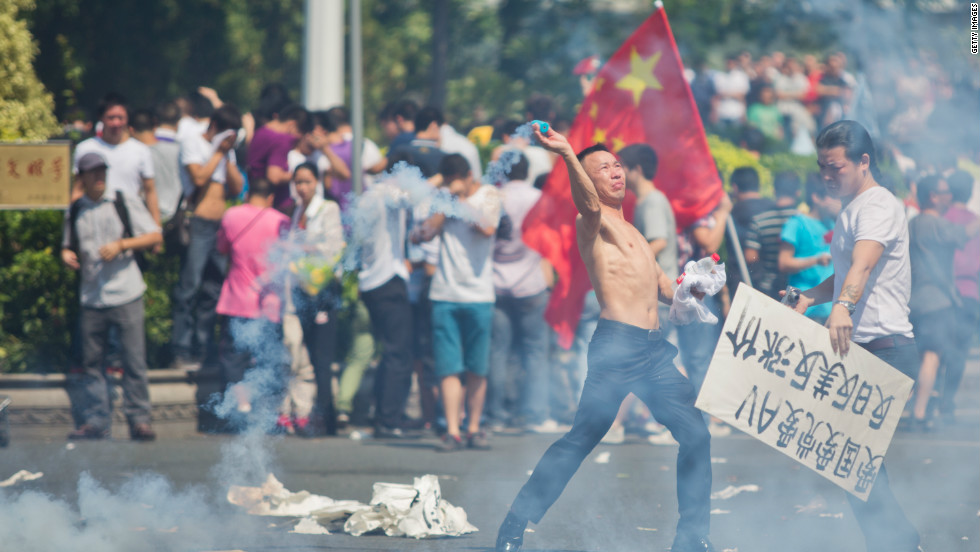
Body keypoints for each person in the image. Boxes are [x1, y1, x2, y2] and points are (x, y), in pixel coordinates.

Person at [495, 127, 715, 552]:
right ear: (588, 181)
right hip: (617, 349)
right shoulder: (590, 222)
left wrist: (694, 289)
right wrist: (566, 155)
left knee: (697, 435)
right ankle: (514, 523)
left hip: (653, 352)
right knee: (582, 438)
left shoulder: (634, 233)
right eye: (604, 169)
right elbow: (587, 203)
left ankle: (692, 537)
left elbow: (665, 287)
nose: (615, 172)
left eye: (616, 166)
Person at [788, 120, 921, 552]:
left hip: (884, 349)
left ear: (864, 162)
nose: (827, 176)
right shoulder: (851, 207)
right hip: (861, 348)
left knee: (853, 462)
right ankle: (896, 543)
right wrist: (811, 297)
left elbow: (863, 265)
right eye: (822, 167)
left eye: (835, 167)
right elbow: (845, 272)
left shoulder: (878, 205)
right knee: (853, 463)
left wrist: (841, 307)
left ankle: (899, 544)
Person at [61, 152, 162, 441]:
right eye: (93, 172)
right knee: (92, 362)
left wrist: (122, 244)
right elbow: (67, 244)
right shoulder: (75, 209)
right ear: (82, 177)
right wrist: (66, 254)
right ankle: (96, 420)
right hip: (92, 295)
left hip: (126, 290)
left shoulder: (122, 200)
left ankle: (140, 419)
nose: (99, 177)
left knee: (133, 359)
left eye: (102, 171)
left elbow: (154, 235)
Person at [414, 154, 501, 452]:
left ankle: (474, 427)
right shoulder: (443, 199)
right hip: (444, 294)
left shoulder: (488, 195)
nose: (452, 186)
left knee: (477, 367)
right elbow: (423, 234)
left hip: (479, 295)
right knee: (448, 367)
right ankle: (452, 430)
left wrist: (460, 202)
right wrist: (443, 206)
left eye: (456, 181)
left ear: (468, 176)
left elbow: (487, 228)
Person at [171, 105, 244, 372]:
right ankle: (180, 348)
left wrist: (228, 156)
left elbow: (236, 188)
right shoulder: (194, 143)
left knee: (213, 289)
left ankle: (204, 349)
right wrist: (219, 152)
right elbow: (199, 177)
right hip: (199, 223)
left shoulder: (228, 152)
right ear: (214, 127)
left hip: (221, 226)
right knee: (189, 287)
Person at [487, 153, 555, 433]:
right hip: (532, 283)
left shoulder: (493, 198)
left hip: (496, 283)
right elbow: (550, 241)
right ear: (527, 172)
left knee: (498, 352)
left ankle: (495, 415)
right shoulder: (539, 199)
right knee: (536, 352)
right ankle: (534, 414)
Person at [215, 178, 291, 420]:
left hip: (236, 300)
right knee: (267, 359)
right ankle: (266, 412)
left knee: (234, 358)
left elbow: (221, 248)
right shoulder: (281, 221)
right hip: (268, 305)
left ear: (248, 195)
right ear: (270, 198)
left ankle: (243, 405)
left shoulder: (231, 215)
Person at [351, 160, 416, 439]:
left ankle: (384, 415)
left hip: (371, 281)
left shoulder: (367, 197)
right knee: (397, 353)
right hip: (388, 279)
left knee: (388, 351)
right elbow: (418, 197)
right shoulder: (388, 194)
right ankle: (389, 419)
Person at [907, 174, 978, 430]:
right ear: (933, 197)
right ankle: (920, 413)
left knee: (920, 356)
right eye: (945, 192)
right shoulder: (932, 223)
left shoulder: (913, 223)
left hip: (915, 299)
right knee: (931, 356)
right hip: (935, 301)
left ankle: (918, 407)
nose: (950, 196)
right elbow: (966, 232)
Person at [282, 163, 345, 436]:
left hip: (323, 291)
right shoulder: (298, 211)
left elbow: (333, 248)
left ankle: (325, 417)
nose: (302, 187)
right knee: (308, 354)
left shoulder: (327, 208)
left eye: (307, 182)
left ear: (317, 182)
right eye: (298, 182)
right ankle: (315, 414)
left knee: (323, 356)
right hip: (302, 289)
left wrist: (301, 246)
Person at [72, 93, 160, 226]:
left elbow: (150, 191)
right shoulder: (85, 148)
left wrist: (156, 227)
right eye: (111, 118)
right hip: (93, 219)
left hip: (131, 222)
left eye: (120, 118)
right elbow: (78, 188)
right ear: (101, 118)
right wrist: (71, 221)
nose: (116, 123)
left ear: (127, 119)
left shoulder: (141, 151)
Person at [940, 170, 980, 421]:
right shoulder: (975, 221)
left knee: (935, 349)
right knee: (958, 352)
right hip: (970, 294)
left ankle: (929, 399)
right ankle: (947, 402)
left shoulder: (942, 219)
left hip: (942, 292)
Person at [779, 173, 841, 323]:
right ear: (816, 197)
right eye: (831, 196)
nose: (836, 201)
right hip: (799, 301)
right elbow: (783, 263)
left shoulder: (835, 224)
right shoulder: (797, 223)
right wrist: (815, 260)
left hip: (826, 306)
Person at [246, 104, 311, 215]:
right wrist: (298, 175)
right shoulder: (282, 139)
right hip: (277, 205)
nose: (298, 139)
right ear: (292, 124)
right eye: (300, 134)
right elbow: (274, 177)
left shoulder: (261, 131)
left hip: (254, 198)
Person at [749, 171, 801, 299]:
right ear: (798, 193)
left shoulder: (759, 220)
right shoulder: (804, 221)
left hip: (768, 287)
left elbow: (750, 257)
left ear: (774, 191)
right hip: (798, 288)